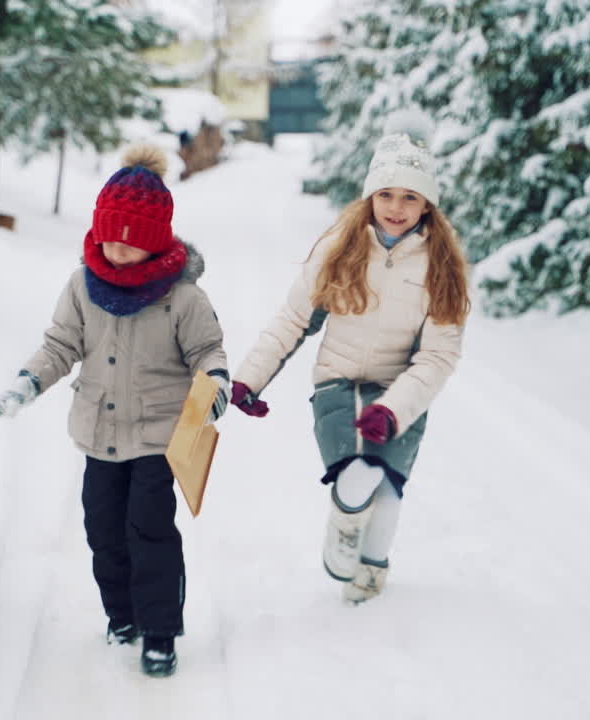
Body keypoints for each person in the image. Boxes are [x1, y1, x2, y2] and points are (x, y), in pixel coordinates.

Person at [0, 144, 230, 677]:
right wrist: (23, 386)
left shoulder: (182, 298)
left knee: (149, 530)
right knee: (104, 531)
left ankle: (160, 632)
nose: (114, 249)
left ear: (155, 241)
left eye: (129, 241)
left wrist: (216, 385)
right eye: (108, 235)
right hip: (98, 434)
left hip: (159, 436)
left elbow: (208, 353)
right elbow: (60, 345)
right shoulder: (83, 284)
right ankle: (123, 617)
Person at [230, 111, 469, 604]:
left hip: (399, 388)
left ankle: (373, 568)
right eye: (386, 194)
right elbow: (293, 320)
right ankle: (342, 522)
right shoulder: (340, 249)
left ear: (428, 203)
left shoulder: (442, 267)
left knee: (388, 483)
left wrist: (395, 408)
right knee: (358, 473)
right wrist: (248, 380)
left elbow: (438, 357)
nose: (396, 207)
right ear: (369, 196)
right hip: (337, 381)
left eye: (410, 196)